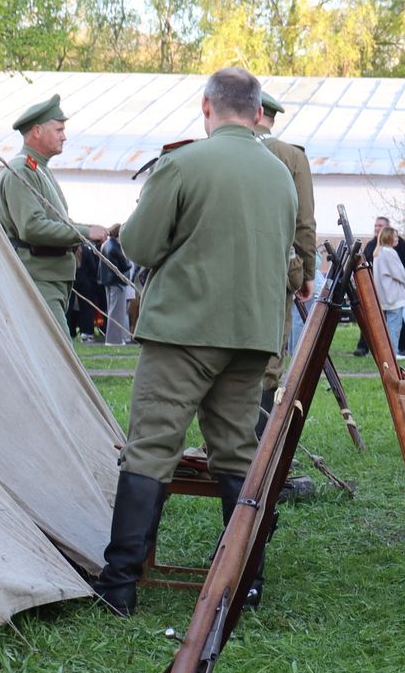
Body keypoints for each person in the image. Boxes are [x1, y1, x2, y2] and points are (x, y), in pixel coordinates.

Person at [89, 67, 297, 616]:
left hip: (183, 329)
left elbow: (139, 243)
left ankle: (120, 584)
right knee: (237, 455)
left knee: (152, 447)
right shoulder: (280, 173)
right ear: (257, 112)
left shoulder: (182, 163)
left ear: (206, 107)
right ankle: (244, 583)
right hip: (251, 335)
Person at [0, 94, 88, 334]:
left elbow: (55, 221)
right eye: (58, 129)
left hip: (50, 277)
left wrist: (89, 231)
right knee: (61, 362)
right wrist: (84, 233)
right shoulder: (22, 170)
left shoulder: (38, 169)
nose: (64, 136)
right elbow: (31, 227)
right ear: (37, 131)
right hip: (38, 278)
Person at [253, 90, 318, 423]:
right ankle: (257, 446)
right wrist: (308, 273)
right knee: (269, 356)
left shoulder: (215, 149)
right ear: (270, 117)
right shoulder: (291, 156)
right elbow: (304, 222)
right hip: (277, 269)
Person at [371, 227, 405, 352]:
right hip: (394, 295)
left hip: (383, 295)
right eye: (395, 236)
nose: (397, 238)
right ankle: (393, 352)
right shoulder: (390, 252)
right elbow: (398, 272)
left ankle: (385, 352)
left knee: (385, 327)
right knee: (394, 326)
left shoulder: (377, 253)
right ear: (389, 237)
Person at [100, 223, 132, 346]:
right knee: (117, 312)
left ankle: (113, 338)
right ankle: (114, 340)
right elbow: (126, 265)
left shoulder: (105, 245)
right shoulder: (116, 247)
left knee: (112, 310)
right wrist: (128, 259)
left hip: (107, 281)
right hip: (117, 282)